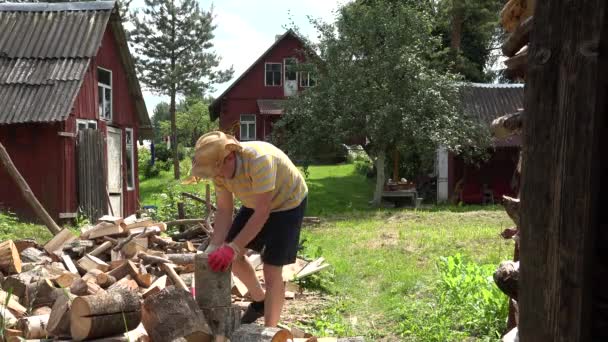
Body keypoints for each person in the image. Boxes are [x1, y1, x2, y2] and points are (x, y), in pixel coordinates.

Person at [190, 131, 308, 327]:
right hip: (256, 202)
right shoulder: (219, 170)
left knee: (271, 268)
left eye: (216, 172)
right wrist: (216, 246)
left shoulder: (259, 160)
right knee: (231, 257)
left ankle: (270, 331)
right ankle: (260, 300)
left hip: (288, 203)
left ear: (228, 158)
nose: (216, 177)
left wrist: (233, 247)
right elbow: (225, 209)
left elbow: (263, 212)